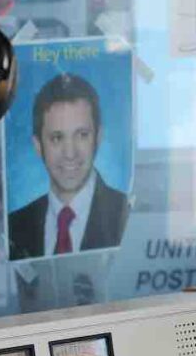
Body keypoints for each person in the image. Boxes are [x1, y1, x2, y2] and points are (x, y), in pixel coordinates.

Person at [9, 73, 129, 260]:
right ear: (38, 146)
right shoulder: (13, 227)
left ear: (98, 137)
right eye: (57, 138)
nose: (70, 153)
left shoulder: (129, 218)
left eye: (81, 135)